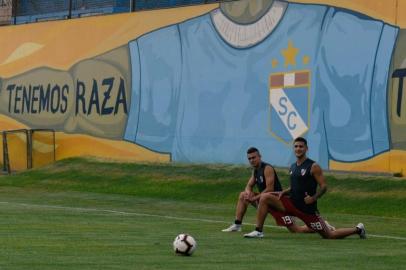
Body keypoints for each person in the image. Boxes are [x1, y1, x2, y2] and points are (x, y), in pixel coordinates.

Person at [244, 137, 366, 239]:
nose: (298, 149)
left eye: (301, 146)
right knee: (265, 197)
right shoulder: (292, 167)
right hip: (292, 204)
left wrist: (313, 198)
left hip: (307, 210)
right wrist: (284, 192)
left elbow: (324, 186)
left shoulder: (313, 166)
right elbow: (295, 186)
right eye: (296, 146)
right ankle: (258, 231)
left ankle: (358, 230)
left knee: (329, 236)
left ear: (306, 148)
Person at [222, 146, 332, 234]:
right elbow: (249, 185)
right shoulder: (255, 171)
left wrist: (254, 197)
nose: (252, 160)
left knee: (296, 230)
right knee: (243, 195)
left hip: (277, 203)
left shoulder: (267, 168)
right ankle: (237, 225)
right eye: (249, 158)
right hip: (264, 201)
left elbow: (269, 189)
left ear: (260, 156)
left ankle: (324, 226)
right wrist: (248, 193)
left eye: (254, 157)